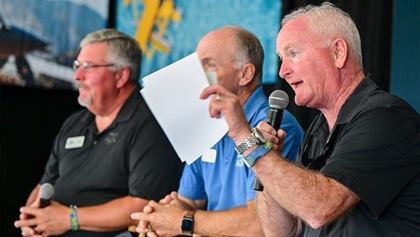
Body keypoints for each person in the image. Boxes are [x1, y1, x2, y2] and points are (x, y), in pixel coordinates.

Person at [198, 2, 420, 237]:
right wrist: (266, 158)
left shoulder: (385, 117)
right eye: (281, 58)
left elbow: (318, 209)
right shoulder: (319, 129)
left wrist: (245, 138)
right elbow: (282, 231)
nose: (283, 71)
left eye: (293, 53)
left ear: (338, 53)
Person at [132, 25, 304, 237]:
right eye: (196, 66)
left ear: (245, 74)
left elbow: (260, 225)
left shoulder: (275, 124)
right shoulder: (207, 120)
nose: (197, 75)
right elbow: (191, 200)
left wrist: (180, 221)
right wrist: (162, 215)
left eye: (209, 65)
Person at [14, 29, 184, 237]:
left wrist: (70, 219)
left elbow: (143, 204)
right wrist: (32, 218)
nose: (77, 75)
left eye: (88, 67)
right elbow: (45, 183)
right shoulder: (74, 123)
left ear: (121, 76)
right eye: (77, 66)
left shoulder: (150, 124)